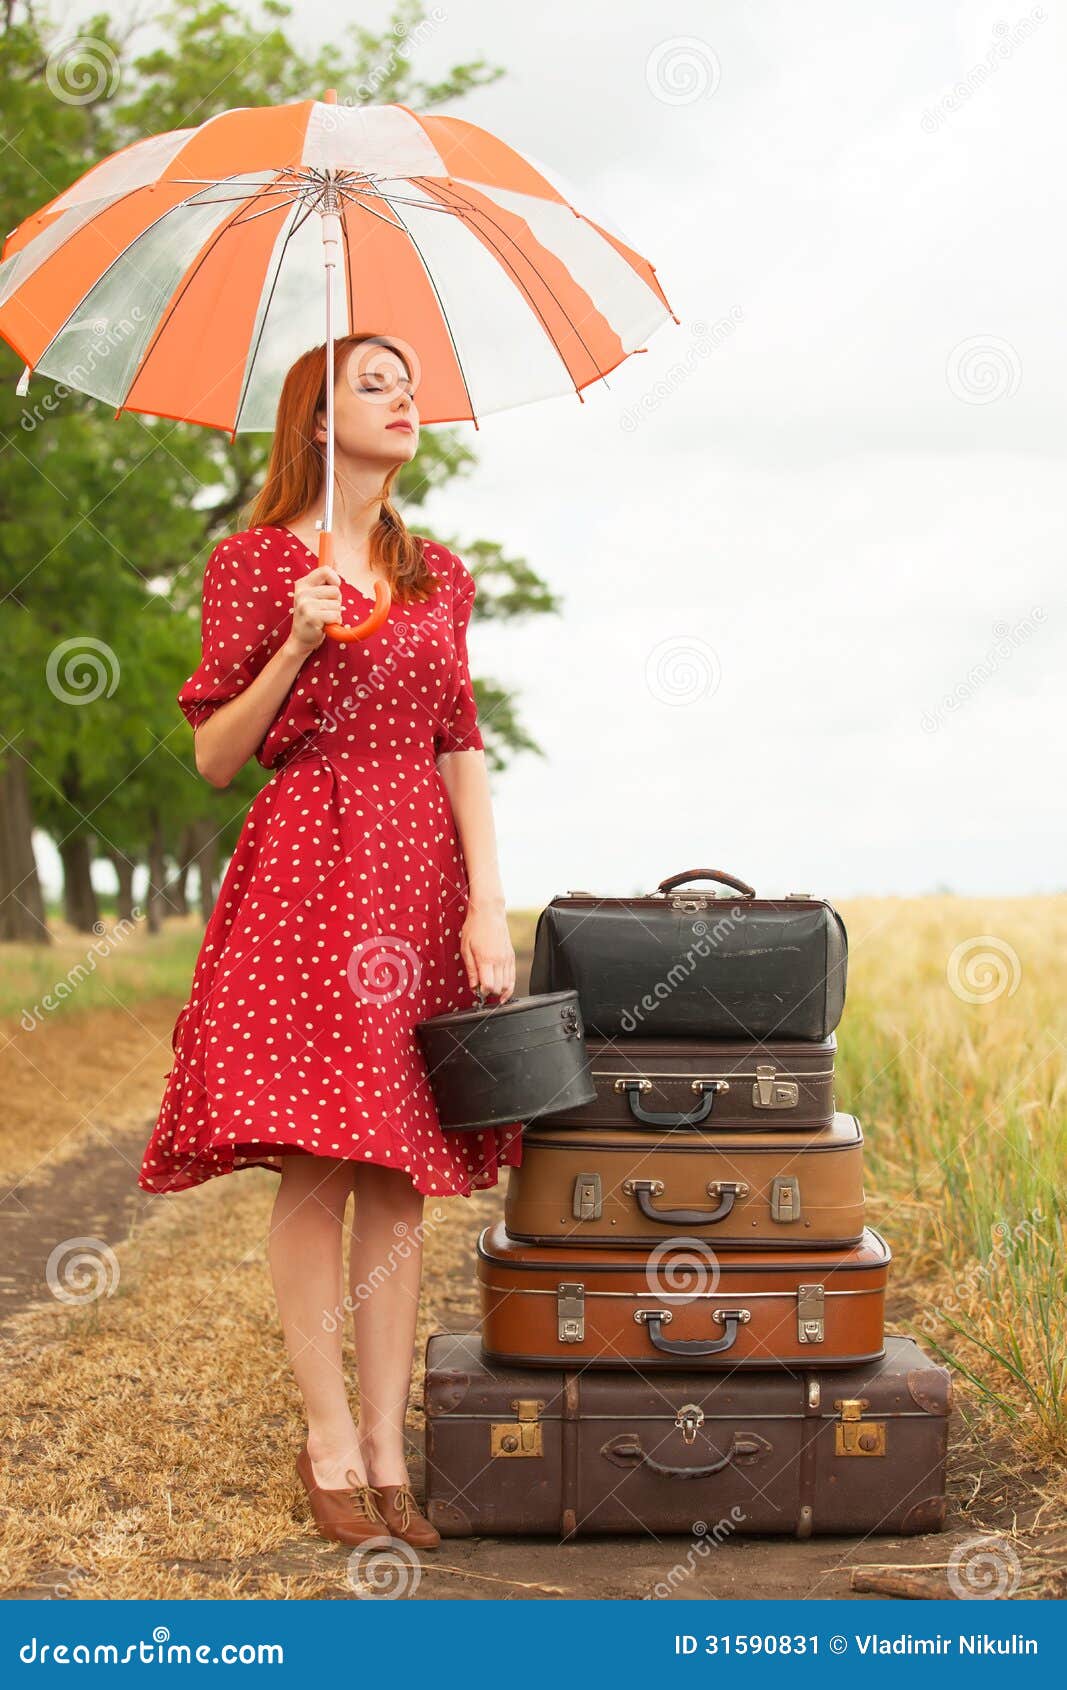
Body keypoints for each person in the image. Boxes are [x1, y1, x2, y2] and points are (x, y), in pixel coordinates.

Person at [138, 333, 521, 1552]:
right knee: (316, 1164)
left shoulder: (438, 574)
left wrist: (485, 898)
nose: (407, 400)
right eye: (376, 383)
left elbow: (460, 737)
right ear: (315, 419)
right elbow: (211, 756)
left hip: (417, 875)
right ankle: (328, 1439)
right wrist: (296, 641)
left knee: (397, 1174)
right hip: (306, 868)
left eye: (411, 385)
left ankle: (390, 1444)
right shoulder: (252, 566)